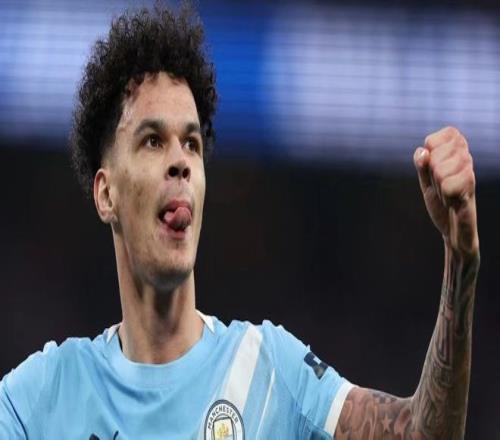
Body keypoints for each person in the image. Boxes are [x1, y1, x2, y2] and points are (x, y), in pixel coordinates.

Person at [0, 4, 479, 439]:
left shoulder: (268, 372)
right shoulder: (41, 399)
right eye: (152, 141)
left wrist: (461, 261)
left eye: (191, 144)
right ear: (106, 194)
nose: (181, 162)